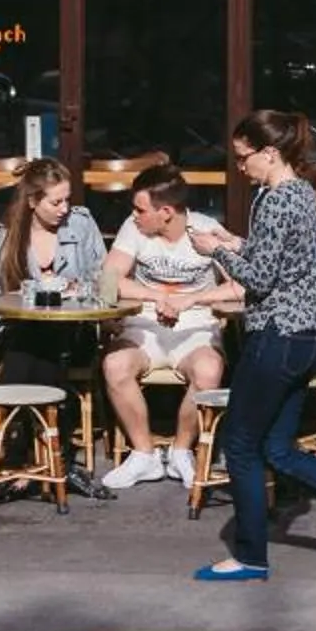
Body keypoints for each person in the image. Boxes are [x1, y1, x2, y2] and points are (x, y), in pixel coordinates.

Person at [193, 107, 316, 584]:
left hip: (277, 337)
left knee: (240, 447)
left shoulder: (276, 198)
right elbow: (280, 259)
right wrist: (233, 240)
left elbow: (261, 278)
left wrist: (214, 251)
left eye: (244, 159)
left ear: (269, 153)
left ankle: (249, 556)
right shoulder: (300, 193)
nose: (240, 168)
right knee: (279, 449)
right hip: (305, 336)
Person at [99, 163, 229, 494]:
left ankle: (182, 450)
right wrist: (154, 295)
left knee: (209, 370)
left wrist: (196, 299)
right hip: (145, 326)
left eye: (141, 209)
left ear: (166, 212)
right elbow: (108, 280)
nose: (135, 214)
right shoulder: (135, 228)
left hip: (195, 329)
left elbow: (240, 286)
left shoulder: (205, 230)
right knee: (115, 365)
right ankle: (144, 455)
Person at [0, 158, 112, 423]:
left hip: (74, 332)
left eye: (67, 200)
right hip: (17, 332)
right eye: (55, 202)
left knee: (38, 342)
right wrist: (20, 299)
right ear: (31, 202)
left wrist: (78, 291)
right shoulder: (3, 235)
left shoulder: (81, 224)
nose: (64, 209)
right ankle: (48, 440)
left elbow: (105, 282)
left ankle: (4, 429)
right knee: (34, 339)